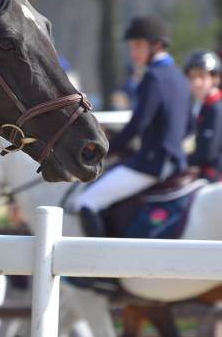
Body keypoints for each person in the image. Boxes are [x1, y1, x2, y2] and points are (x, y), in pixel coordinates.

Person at [72, 15, 192, 236]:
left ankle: (101, 267)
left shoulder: (153, 78)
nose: (133, 52)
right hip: (177, 162)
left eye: (138, 45)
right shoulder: (179, 77)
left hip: (152, 165)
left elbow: (138, 124)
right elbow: (188, 126)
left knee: (86, 201)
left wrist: (106, 149)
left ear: (156, 45)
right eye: (131, 46)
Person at [184, 49, 222, 181]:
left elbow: (208, 152)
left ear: (215, 78)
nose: (196, 82)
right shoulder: (203, 105)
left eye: (201, 76)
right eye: (192, 77)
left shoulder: (216, 108)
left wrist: (182, 160)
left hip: (214, 176)